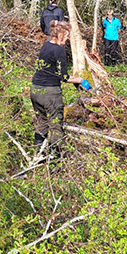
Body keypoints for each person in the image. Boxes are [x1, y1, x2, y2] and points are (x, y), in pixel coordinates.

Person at [30, 20, 83, 154]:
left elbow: (51, 70)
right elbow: (63, 77)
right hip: (50, 94)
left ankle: (39, 156)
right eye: (66, 35)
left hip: (35, 90)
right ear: (60, 34)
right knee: (55, 126)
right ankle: (55, 161)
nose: (67, 38)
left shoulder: (45, 46)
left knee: (42, 123)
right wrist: (79, 80)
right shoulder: (59, 50)